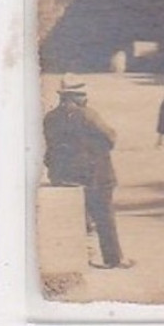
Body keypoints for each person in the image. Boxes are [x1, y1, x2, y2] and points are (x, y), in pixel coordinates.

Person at [43, 79, 131, 269]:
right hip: (95, 175)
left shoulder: (50, 117)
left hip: (63, 175)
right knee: (104, 216)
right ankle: (113, 259)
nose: (86, 98)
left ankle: (83, 257)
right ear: (74, 96)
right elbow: (110, 138)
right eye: (82, 95)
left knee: (80, 219)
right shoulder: (88, 115)